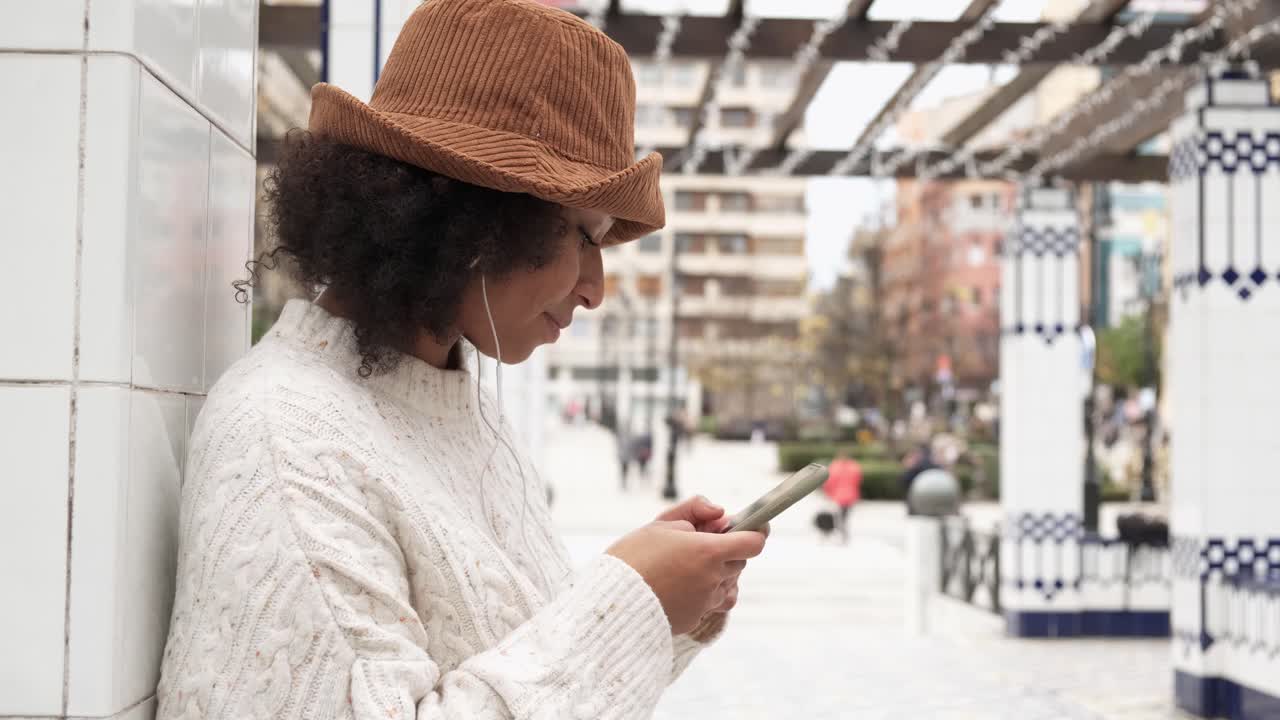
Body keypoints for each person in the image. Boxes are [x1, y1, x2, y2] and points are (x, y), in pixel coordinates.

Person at [155, 2, 769, 717]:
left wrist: (662, 607)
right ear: (475, 215)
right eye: (585, 235)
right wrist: (629, 601)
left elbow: (515, 660)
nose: (596, 288)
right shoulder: (286, 440)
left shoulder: (451, 405)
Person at [823, 451, 863, 544]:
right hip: (850, 495)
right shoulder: (854, 466)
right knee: (844, 516)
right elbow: (858, 480)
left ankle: (839, 532)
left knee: (838, 516)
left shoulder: (835, 466)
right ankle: (842, 532)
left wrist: (827, 493)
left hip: (838, 496)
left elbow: (829, 481)